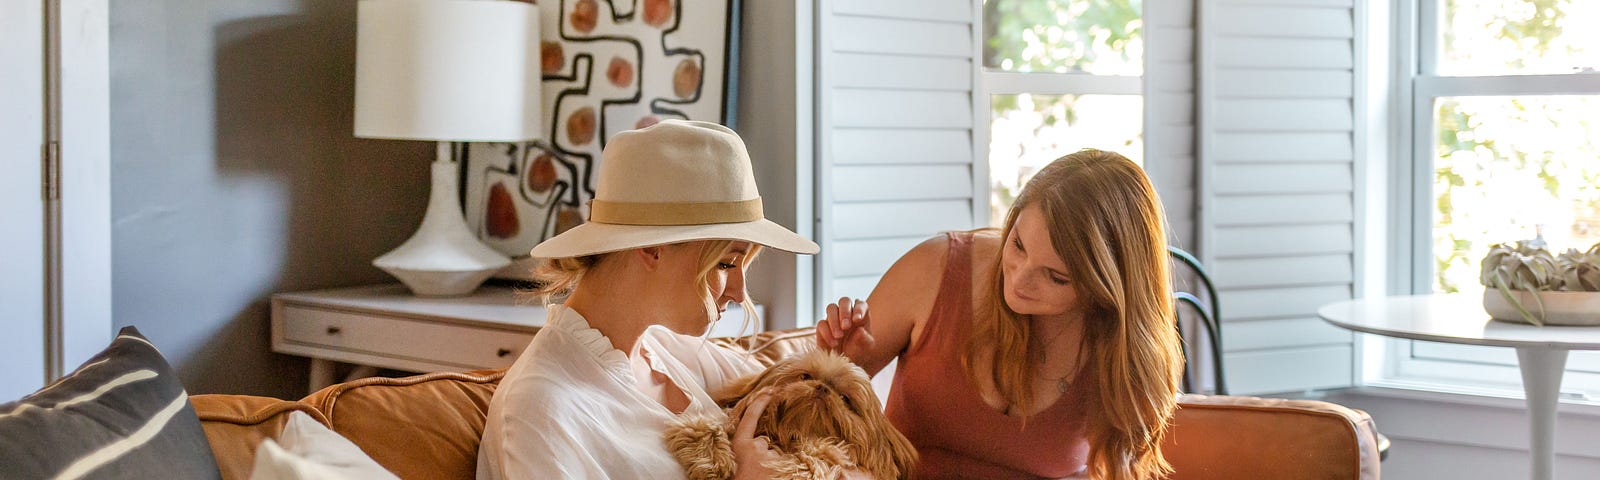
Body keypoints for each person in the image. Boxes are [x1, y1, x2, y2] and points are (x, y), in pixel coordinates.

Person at [477, 120, 821, 479]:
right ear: (652, 248)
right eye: (725, 264)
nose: (737, 292)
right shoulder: (542, 408)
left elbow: (795, 406)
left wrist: (847, 363)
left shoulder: (668, 350)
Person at [816, 149, 1185, 480]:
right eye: (1018, 245)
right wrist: (847, 366)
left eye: (1056, 277)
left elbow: (1117, 471)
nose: (1019, 280)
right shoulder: (934, 270)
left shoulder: (1126, 354)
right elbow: (816, 415)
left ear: (1107, 289)